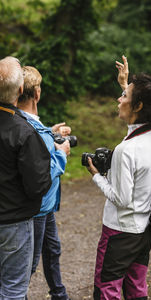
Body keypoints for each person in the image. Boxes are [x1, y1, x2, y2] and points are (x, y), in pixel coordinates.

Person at [87, 55, 151, 300]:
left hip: (118, 233)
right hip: (143, 231)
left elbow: (122, 199)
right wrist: (126, 83)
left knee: (107, 290)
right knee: (137, 289)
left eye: (124, 96)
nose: (119, 98)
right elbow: (140, 111)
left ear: (137, 106)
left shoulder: (126, 151)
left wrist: (96, 176)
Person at [17, 66, 71, 300]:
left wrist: (51, 133)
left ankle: (59, 294)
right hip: (35, 209)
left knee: (52, 250)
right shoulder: (28, 128)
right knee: (26, 266)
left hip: (46, 207)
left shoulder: (26, 124)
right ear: (37, 93)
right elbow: (40, 173)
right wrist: (62, 153)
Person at [0, 56, 52, 300]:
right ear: (21, 90)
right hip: (13, 223)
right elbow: (38, 185)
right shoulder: (23, 132)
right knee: (12, 290)